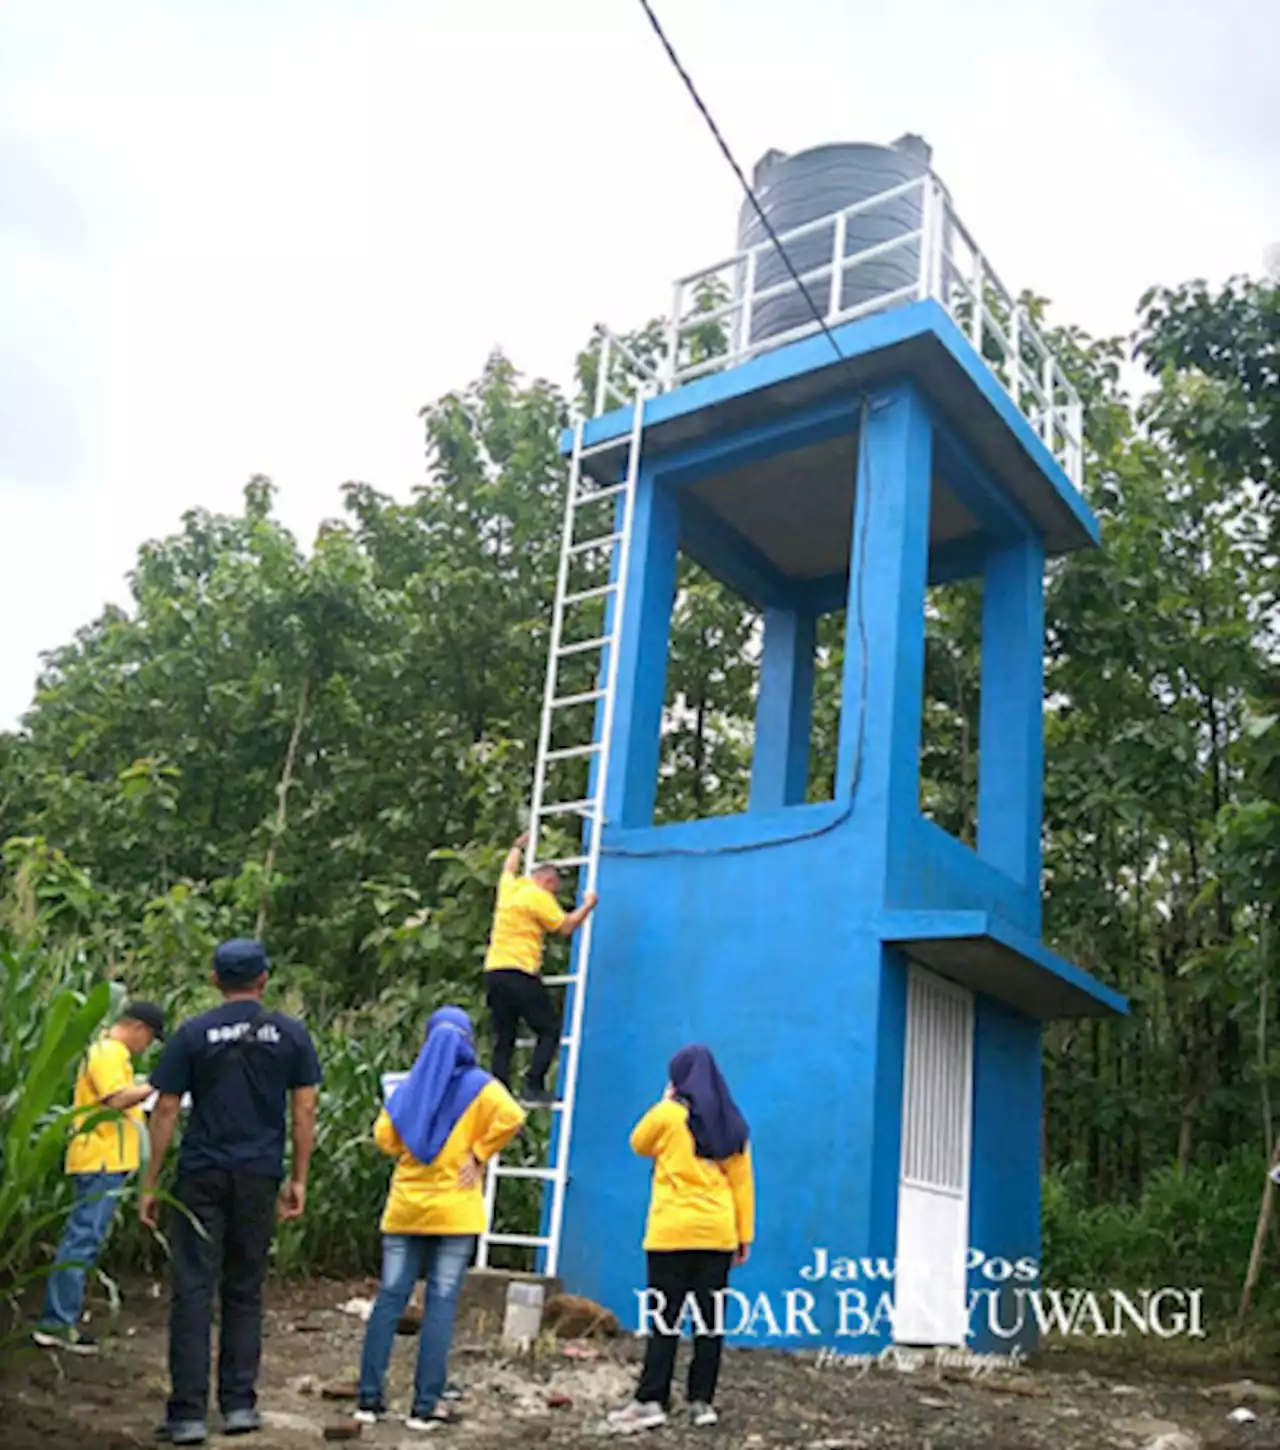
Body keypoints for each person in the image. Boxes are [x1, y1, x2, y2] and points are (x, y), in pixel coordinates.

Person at [140, 939, 321, 1447]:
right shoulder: (290, 1034)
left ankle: (187, 1415)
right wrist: (299, 1178)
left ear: (215, 980)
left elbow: (167, 1109)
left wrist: (150, 1183)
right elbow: (304, 1109)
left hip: (202, 1174)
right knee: (244, 1288)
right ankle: (239, 1405)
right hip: (259, 1175)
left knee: (193, 1289)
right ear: (263, 979)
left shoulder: (193, 1033)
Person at [355, 1006, 525, 1431]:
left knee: (390, 1299)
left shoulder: (409, 1087)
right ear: (468, 1041)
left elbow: (385, 1139)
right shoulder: (482, 1087)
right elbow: (513, 1116)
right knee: (441, 1305)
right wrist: (478, 1153)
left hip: (406, 1209)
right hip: (455, 1210)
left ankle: (369, 1401)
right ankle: (424, 1406)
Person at [608, 1045, 755, 1435]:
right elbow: (742, 1185)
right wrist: (744, 1236)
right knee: (708, 1323)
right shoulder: (733, 1124)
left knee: (665, 1320)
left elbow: (638, 1143)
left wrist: (663, 1102)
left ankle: (651, 1400)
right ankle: (701, 1402)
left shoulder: (668, 1116)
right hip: (717, 1234)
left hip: (671, 1234)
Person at [32, 1001, 166, 1353]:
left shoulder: (114, 1055)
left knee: (85, 1239)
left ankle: (62, 1318)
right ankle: (56, 1322)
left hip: (107, 1159)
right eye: (150, 1038)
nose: (147, 1046)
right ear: (138, 1028)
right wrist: (157, 1085)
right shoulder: (108, 1052)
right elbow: (115, 1098)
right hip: (100, 1159)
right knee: (82, 1239)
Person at [483, 830, 598, 1103]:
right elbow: (566, 927)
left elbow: (508, 867)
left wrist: (516, 846)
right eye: (555, 888)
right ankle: (533, 1083)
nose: (555, 893)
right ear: (547, 881)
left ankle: (498, 1091)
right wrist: (588, 906)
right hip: (519, 971)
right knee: (548, 1029)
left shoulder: (511, 888)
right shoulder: (538, 896)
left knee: (504, 1037)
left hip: (494, 970)